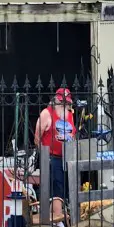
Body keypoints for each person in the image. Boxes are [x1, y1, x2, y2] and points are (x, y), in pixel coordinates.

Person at [34, 88, 76, 218]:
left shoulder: (70, 115)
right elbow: (37, 138)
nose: (64, 105)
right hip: (52, 158)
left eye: (66, 103)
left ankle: (59, 218)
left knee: (64, 191)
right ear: (56, 101)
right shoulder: (47, 114)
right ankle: (57, 220)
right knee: (56, 192)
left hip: (67, 158)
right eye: (62, 102)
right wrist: (45, 157)